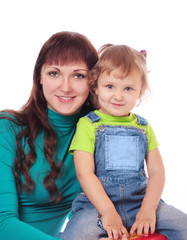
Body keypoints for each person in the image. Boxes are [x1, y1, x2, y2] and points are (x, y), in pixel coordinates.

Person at [56, 44, 187, 240]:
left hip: (141, 203)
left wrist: (148, 210)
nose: (118, 95)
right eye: (110, 86)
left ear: (140, 92)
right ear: (96, 87)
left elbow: (157, 171)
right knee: (78, 233)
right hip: (98, 208)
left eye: (128, 88)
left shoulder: (143, 126)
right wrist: (108, 212)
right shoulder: (88, 124)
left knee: (183, 226)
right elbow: (85, 173)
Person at [0, 31, 98, 240]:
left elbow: (84, 213)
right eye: (54, 73)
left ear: (93, 82)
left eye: (78, 75)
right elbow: (2, 223)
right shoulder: (7, 129)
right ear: (40, 78)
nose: (65, 87)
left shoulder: (95, 135)